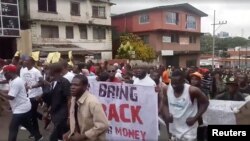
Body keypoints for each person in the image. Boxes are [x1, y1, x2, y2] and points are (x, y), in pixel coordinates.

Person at [162, 70, 209, 141]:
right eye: (173, 83)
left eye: (177, 83)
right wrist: (166, 115)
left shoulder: (192, 90)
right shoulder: (166, 89)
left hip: (189, 131)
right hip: (174, 128)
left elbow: (205, 103)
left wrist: (195, 118)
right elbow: (165, 103)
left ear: (183, 81)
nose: (174, 86)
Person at [0, 65, 43, 141]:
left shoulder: (16, 82)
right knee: (26, 124)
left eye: (5, 73)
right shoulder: (12, 80)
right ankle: (38, 136)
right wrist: (2, 92)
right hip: (22, 106)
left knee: (12, 127)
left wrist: (0, 93)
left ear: (9, 72)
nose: (4, 75)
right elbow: (11, 91)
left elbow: (11, 96)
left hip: (21, 108)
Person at [63, 75, 109, 141]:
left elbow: (103, 125)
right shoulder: (73, 99)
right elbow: (76, 120)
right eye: (72, 85)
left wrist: (83, 136)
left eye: (76, 85)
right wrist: (70, 132)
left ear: (85, 87)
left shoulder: (92, 102)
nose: (72, 87)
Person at [41, 63, 71, 141]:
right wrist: (47, 111)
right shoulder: (53, 82)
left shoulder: (64, 82)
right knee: (59, 137)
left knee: (55, 137)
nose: (47, 71)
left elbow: (69, 99)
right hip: (55, 113)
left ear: (53, 71)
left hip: (62, 115)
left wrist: (69, 116)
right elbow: (53, 99)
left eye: (49, 69)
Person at [20, 56, 43, 138]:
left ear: (31, 63)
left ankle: (37, 134)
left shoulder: (36, 71)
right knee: (31, 113)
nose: (24, 62)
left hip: (36, 94)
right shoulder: (23, 70)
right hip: (28, 95)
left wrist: (32, 87)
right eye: (24, 60)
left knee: (32, 114)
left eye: (26, 60)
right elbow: (23, 82)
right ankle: (42, 118)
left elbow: (41, 82)